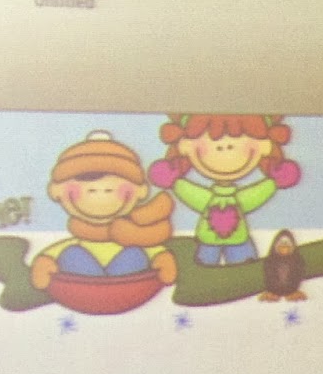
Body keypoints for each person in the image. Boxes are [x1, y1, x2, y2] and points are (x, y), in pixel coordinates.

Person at [148, 114, 301, 266]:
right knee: (205, 263)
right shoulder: (209, 198)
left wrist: (272, 183)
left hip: (238, 240)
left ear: (264, 147)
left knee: (244, 265)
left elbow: (252, 198)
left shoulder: (236, 199)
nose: (224, 147)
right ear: (185, 147)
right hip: (208, 240)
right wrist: (176, 183)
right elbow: (193, 195)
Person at [31, 131, 177, 289]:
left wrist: (161, 258)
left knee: (134, 254)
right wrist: (45, 261)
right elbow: (56, 252)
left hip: (129, 287)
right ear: (57, 191)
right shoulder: (79, 241)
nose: (100, 193)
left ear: (140, 191)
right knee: (72, 253)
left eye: (110, 189)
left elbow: (153, 251)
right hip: (82, 288)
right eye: (90, 190)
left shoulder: (133, 233)